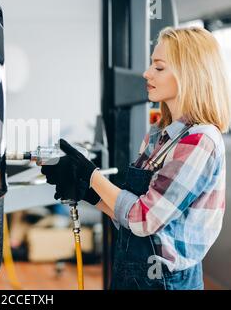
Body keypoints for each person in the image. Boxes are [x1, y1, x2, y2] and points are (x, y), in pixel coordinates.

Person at [41, 27, 230, 290]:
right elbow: (130, 217)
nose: (146, 73)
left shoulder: (200, 141)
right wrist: (88, 192)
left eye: (159, 67)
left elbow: (145, 219)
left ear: (190, 75)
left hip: (165, 281)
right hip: (132, 271)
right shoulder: (159, 135)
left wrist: (90, 174)